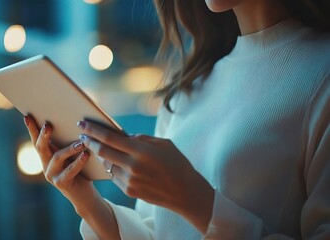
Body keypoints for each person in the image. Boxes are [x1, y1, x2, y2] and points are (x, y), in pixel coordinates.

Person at [24, 0, 330, 238]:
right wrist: (87, 203)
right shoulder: (188, 89)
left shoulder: (321, 73)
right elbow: (156, 233)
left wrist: (193, 198)